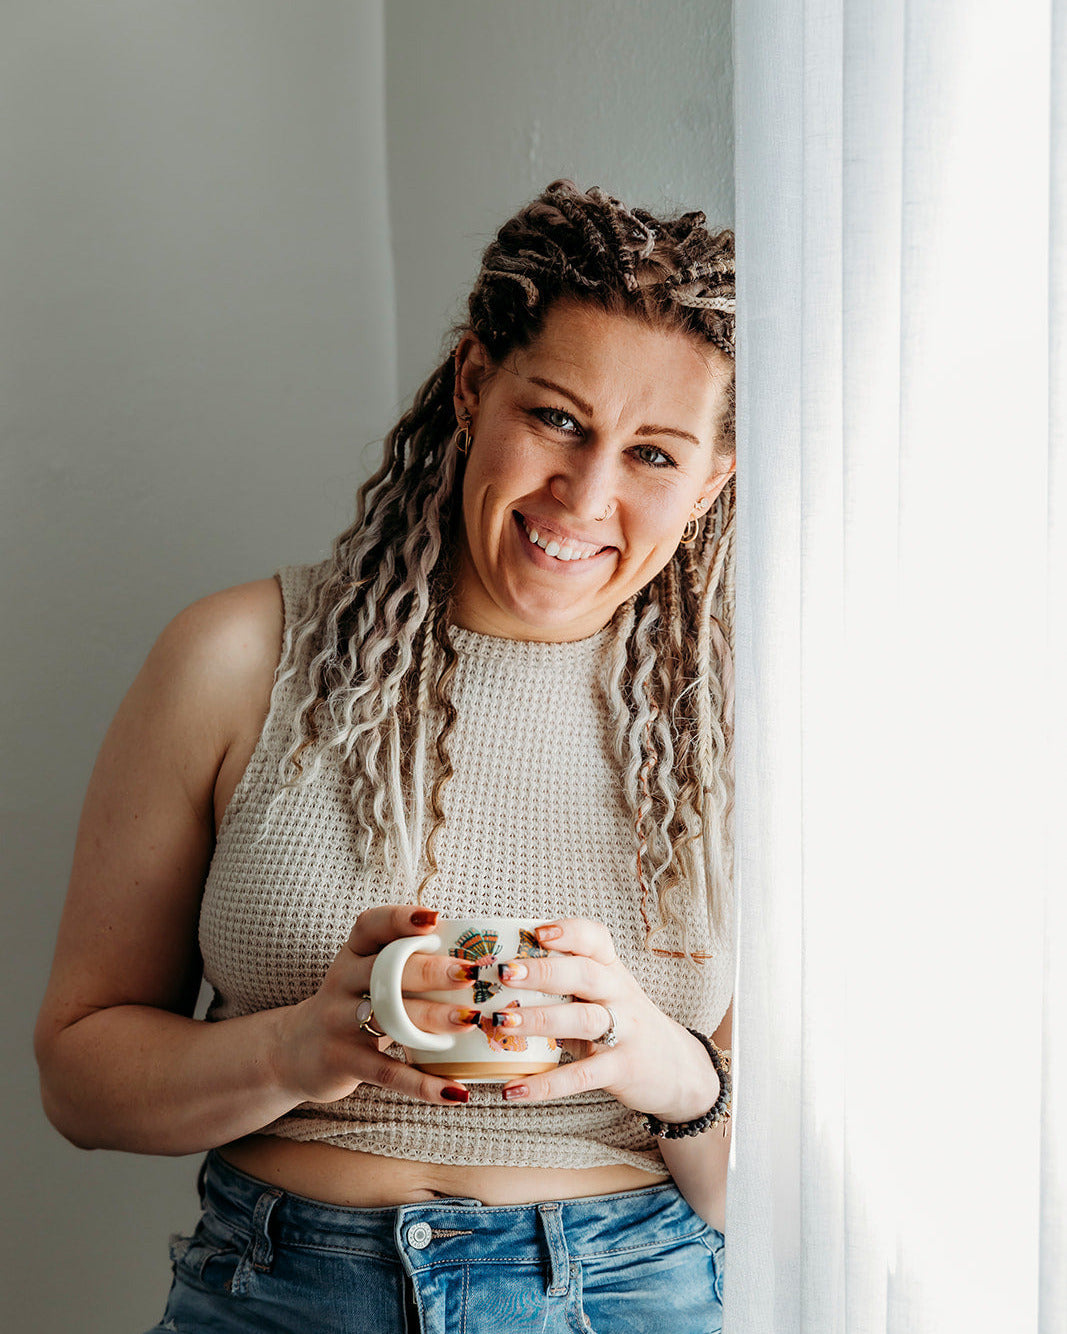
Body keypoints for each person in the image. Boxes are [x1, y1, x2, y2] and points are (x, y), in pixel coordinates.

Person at [34, 180, 737, 1334]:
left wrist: (652, 1054)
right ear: (473, 385)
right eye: (557, 417)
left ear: (707, 482)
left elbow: (770, 1194)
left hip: (629, 1291)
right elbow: (79, 1079)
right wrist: (304, 1043)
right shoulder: (234, 658)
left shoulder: (750, 727)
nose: (587, 491)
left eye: (652, 453)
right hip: (280, 1288)